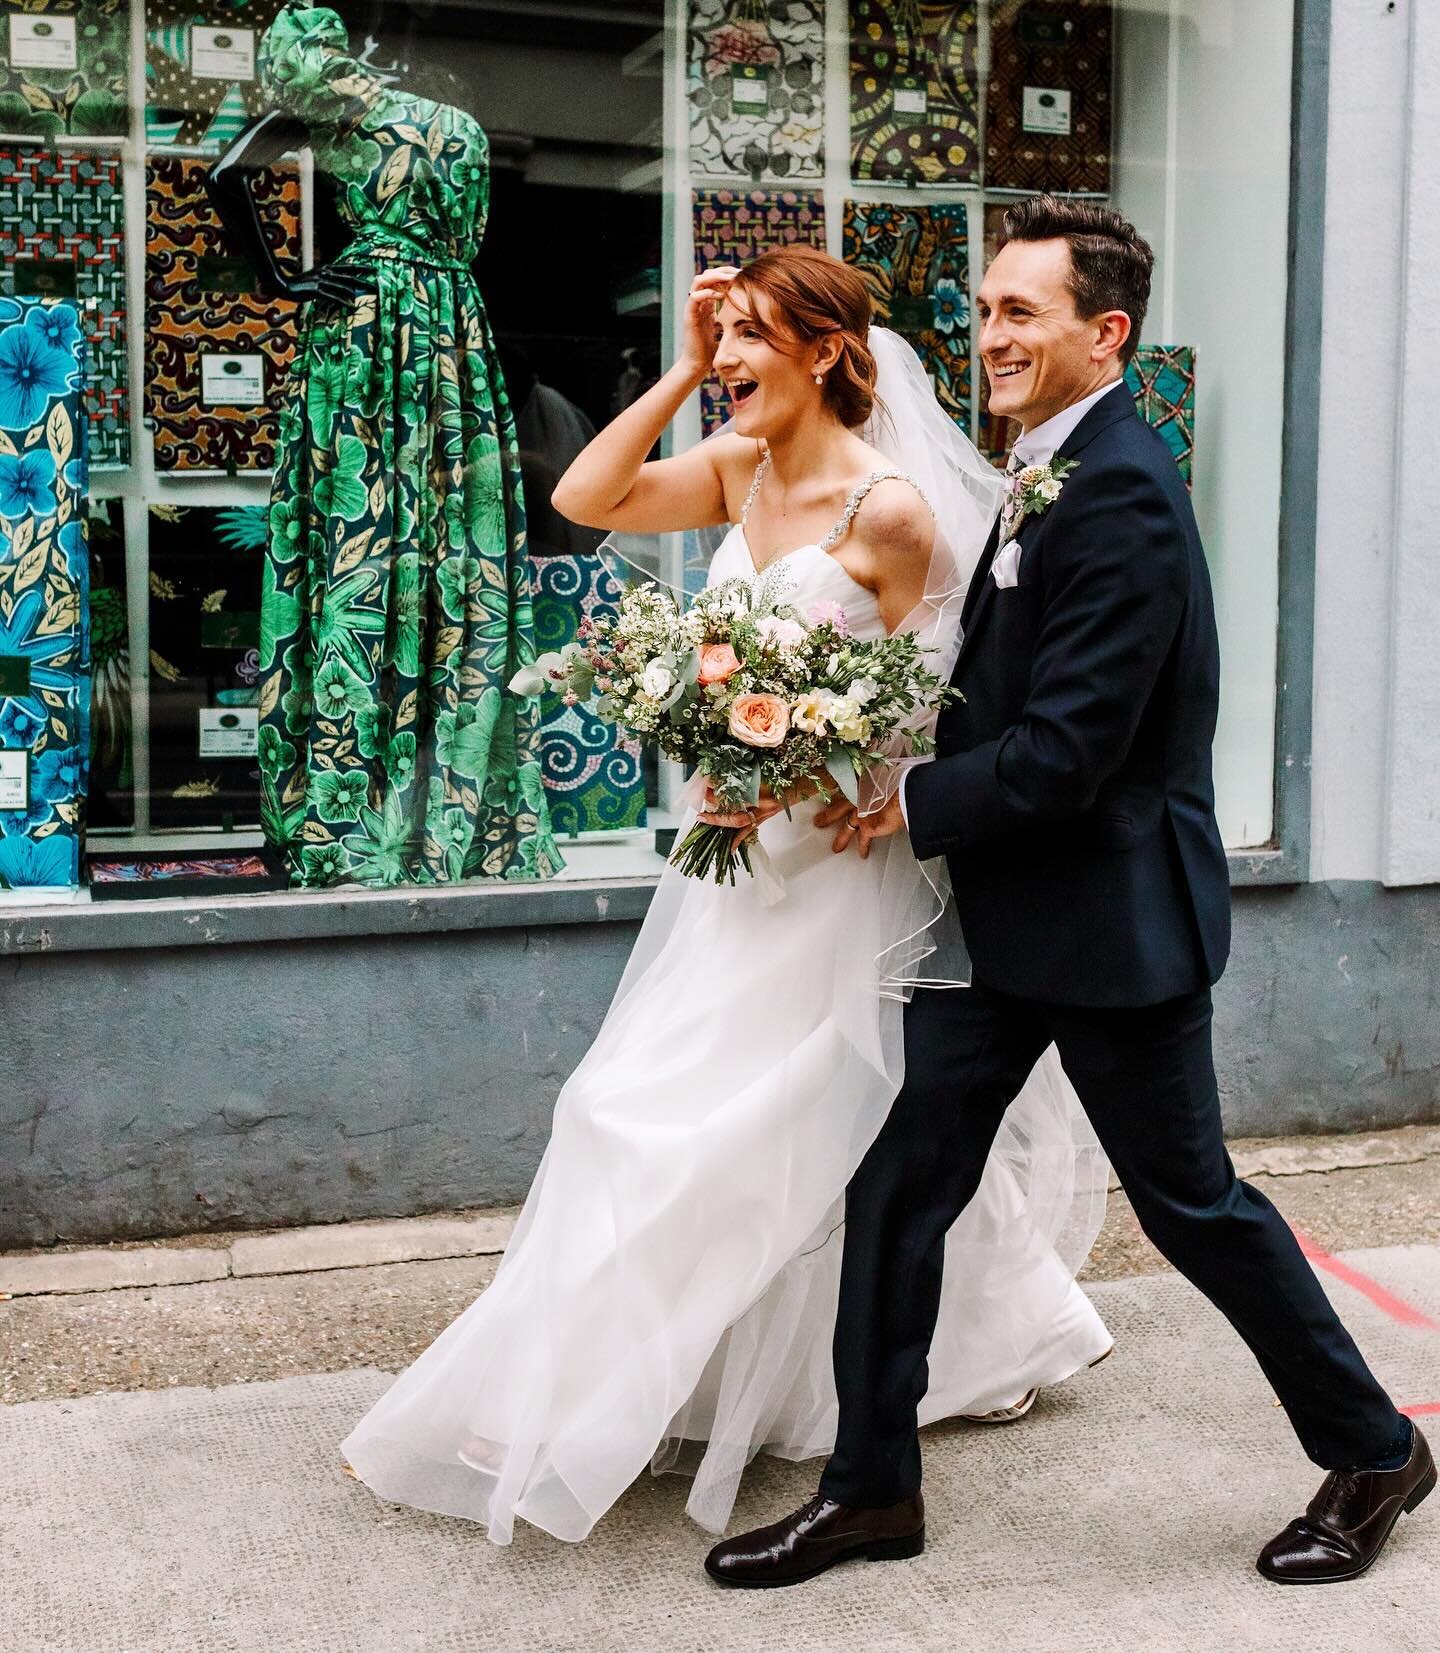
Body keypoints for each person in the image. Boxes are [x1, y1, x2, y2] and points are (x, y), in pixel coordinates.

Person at [705, 198, 1432, 1591]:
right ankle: (870, 1492)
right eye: (981, 309)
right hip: (1004, 925)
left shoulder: (1123, 489)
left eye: (1019, 313)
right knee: (898, 1189)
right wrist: (878, 738)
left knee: (1194, 1206)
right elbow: (1003, 691)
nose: (989, 336)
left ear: (1106, 332)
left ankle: (1377, 1447)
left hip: (1108, 925)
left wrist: (902, 805)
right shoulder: (1042, 468)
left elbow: (1072, 749)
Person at [339, 244, 1114, 1545]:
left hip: (832, 873)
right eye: (725, 337)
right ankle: (995, 1329)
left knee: (684, 1125)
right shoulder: (738, 469)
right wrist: (688, 367)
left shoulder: (891, 513)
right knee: (758, 1128)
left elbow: (934, 702)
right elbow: (587, 495)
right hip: (727, 875)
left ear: (825, 352)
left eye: (752, 335)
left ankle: (573, 1403)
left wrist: (806, 768)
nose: (732, 358)